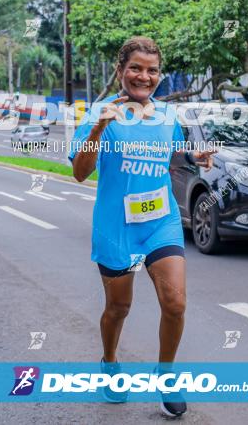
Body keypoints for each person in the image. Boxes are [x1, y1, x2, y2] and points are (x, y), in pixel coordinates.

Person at [68, 37, 215, 417]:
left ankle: (165, 374)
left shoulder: (167, 116)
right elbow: (80, 174)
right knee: (119, 307)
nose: (143, 76)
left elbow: (167, 153)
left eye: (151, 70)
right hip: (117, 227)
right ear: (120, 71)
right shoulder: (99, 113)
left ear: (159, 76)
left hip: (160, 223)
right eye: (135, 68)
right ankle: (110, 362)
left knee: (176, 303)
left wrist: (192, 155)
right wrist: (99, 129)